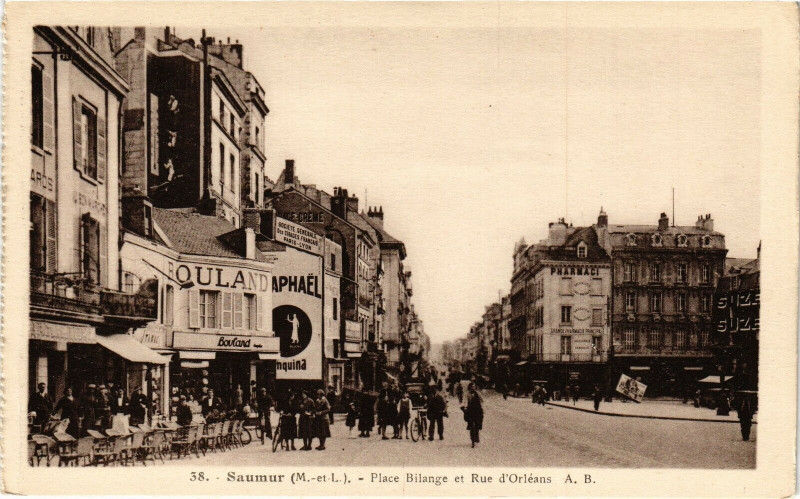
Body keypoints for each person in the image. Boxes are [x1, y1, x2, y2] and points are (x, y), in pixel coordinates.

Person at [462, 382, 484, 448]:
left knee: (477, 425)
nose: (473, 388)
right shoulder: (467, 394)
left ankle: (476, 437)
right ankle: (472, 440)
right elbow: (465, 401)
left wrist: (482, 408)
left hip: (477, 411)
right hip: (471, 411)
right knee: (471, 426)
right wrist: (465, 407)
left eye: (474, 386)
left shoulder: (478, 393)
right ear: (470, 387)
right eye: (472, 386)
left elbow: (482, 401)